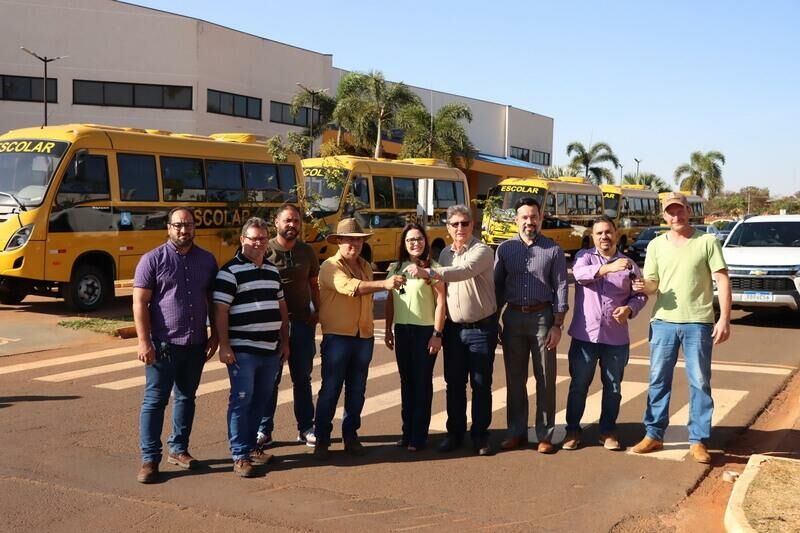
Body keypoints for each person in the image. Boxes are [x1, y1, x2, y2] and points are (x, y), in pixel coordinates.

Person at [631, 192, 731, 464]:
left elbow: (722, 279)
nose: (676, 216)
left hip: (698, 321)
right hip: (663, 321)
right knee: (657, 379)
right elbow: (652, 283)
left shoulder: (707, 241)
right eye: (670, 212)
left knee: (699, 381)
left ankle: (698, 440)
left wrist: (724, 318)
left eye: (680, 210)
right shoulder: (655, 246)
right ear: (663, 215)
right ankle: (653, 434)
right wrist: (643, 287)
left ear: (689, 211)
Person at [134, 207, 218, 484]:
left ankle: (179, 449)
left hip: (195, 343)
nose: (184, 230)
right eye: (178, 225)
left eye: (189, 225)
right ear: (168, 227)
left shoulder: (207, 260)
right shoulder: (152, 260)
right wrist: (144, 341)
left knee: (186, 398)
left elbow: (213, 300)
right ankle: (150, 459)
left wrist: (215, 334)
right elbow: (140, 303)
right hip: (162, 344)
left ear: (195, 227)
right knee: (155, 401)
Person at [406, 204, 497, 456]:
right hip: (453, 331)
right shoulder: (444, 253)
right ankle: (454, 434)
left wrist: (428, 271)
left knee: (480, 384)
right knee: (454, 384)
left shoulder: (482, 251)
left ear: (472, 225)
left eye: (464, 223)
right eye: (454, 224)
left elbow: (463, 272)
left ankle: (480, 436)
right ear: (447, 227)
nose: (460, 228)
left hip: (481, 329)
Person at [312, 218, 405, 460]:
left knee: (357, 389)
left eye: (358, 239)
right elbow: (350, 287)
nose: (354, 243)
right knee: (330, 389)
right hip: (338, 337)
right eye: (349, 239)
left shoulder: (364, 264)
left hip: (363, 335)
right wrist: (384, 283)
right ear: (339, 241)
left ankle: (350, 436)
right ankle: (322, 438)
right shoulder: (330, 266)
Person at [562, 216, 648, 451]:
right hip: (584, 336)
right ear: (593, 236)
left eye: (608, 232)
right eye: (599, 233)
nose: (604, 237)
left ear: (616, 232)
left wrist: (630, 308)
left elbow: (640, 293)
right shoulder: (584, 257)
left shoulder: (629, 264)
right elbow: (579, 275)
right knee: (579, 385)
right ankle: (572, 430)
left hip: (616, 338)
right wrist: (607, 268)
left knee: (613, 387)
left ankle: (607, 430)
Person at [214, 217, 289, 478]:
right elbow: (221, 310)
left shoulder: (271, 271)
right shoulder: (229, 271)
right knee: (241, 401)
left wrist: (285, 342)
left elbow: (281, 308)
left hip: (270, 350)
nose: (258, 243)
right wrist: (224, 345)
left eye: (262, 239)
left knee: (262, 399)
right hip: (242, 350)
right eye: (253, 238)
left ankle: (251, 446)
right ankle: (239, 455)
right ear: (242, 240)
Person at [493, 197, 568, 454]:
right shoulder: (504, 250)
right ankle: (515, 432)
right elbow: (497, 288)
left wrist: (557, 324)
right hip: (513, 318)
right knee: (515, 379)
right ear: (516, 220)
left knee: (545, 378)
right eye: (524, 217)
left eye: (533, 217)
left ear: (540, 219)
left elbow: (560, 287)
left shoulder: (553, 250)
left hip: (542, 318)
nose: (529, 221)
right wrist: (495, 321)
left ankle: (545, 435)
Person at [257, 204, 320, 449]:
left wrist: (318, 311)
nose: (292, 225)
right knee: (270, 380)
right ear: (276, 222)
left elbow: (314, 284)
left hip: (303, 325)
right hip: (272, 327)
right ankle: (264, 429)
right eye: (287, 220)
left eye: (296, 221)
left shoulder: (307, 252)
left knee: (302, 379)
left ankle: (306, 428)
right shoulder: (266, 250)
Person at [385, 223, 446, 452]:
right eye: (410, 239)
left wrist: (437, 334)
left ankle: (419, 435)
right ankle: (406, 431)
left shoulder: (433, 268)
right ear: (404, 243)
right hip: (402, 330)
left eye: (419, 239)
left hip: (424, 331)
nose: (415, 243)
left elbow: (441, 301)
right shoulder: (397, 268)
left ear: (425, 241)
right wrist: (389, 329)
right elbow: (391, 299)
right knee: (406, 382)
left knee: (421, 382)